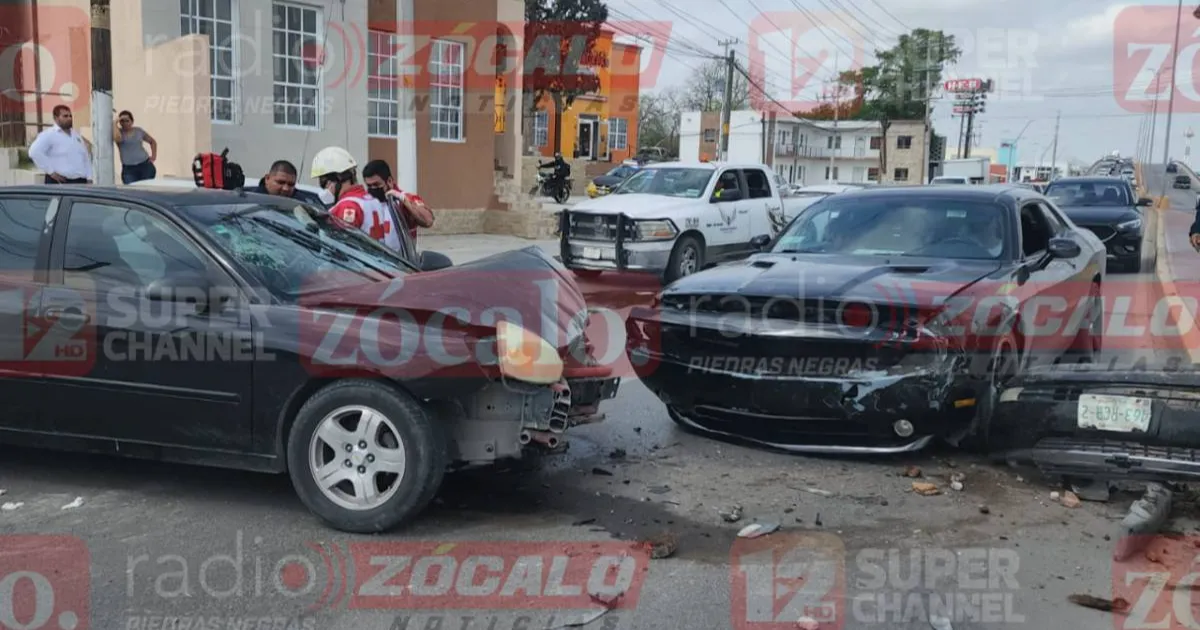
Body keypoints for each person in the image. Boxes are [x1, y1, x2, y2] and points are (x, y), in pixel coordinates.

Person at [310, 146, 403, 252]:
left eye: (324, 182)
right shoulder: (371, 200)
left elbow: (340, 250)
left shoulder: (347, 206)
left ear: (338, 179)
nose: (324, 188)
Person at [361, 159, 434, 243]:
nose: (373, 189)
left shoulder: (404, 200)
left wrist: (403, 199)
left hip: (400, 255)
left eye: (376, 184)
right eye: (369, 186)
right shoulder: (366, 203)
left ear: (389, 181)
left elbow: (428, 221)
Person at [28, 105, 92, 184]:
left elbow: (85, 157)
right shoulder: (49, 134)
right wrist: (51, 172)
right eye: (65, 116)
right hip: (60, 182)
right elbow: (34, 152)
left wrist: (89, 177)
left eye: (70, 116)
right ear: (56, 118)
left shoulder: (76, 136)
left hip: (80, 182)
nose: (69, 118)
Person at [251, 160, 325, 206]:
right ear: (267, 178)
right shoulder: (249, 201)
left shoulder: (305, 204)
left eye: (291, 184)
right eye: (280, 182)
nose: (286, 188)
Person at [112, 110, 157, 184]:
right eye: (122, 121)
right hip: (129, 169)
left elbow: (152, 142)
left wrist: (153, 156)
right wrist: (115, 122)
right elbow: (117, 139)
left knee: (146, 188)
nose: (125, 123)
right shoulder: (119, 133)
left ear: (132, 121)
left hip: (144, 165)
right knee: (131, 190)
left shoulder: (138, 131)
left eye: (127, 121)